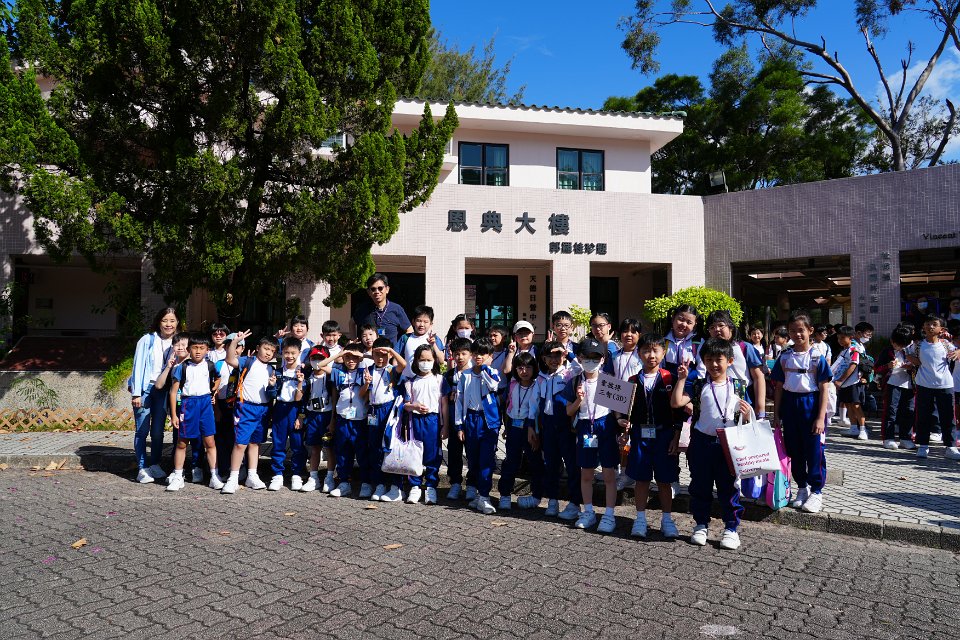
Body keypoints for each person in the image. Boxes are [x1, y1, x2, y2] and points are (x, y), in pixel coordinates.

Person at [671, 338, 751, 550]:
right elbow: (676, 402)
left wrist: (747, 415)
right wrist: (682, 379)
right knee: (700, 486)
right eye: (709, 359)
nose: (714, 364)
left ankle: (731, 528)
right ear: (703, 361)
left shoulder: (739, 386)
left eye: (719, 359)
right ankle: (700, 525)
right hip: (702, 443)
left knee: (729, 488)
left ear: (730, 361)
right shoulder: (699, 385)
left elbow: (747, 418)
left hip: (729, 445)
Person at [619, 333, 680, 538]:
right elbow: (624, 413)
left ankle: (667, 520)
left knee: (664, 480)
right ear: (639, 353)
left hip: (664, 436)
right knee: (641, 479)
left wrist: (676, 436)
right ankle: (640, 519)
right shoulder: (632, 381)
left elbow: (679, 412)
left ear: (664, 352)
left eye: (655, 350)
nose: (651, 355)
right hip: (640, 436)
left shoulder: (670, 378)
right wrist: (623, 428)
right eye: (646, 350)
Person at [770, 312, 832, 514]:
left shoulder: (817, 357)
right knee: (794, 450)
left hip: (811, 404)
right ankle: (802, 487)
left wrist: (820, 417)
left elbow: (824, 388)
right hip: (790, 405)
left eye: (801, 330)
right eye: (792, 331)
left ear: (810, 331)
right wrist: (776, 414)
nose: (797, 334)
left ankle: (817, 491)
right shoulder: (784, 357)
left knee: (814, 450)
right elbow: (779, 387)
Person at [565, 337, 618, 533]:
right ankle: (588, 512)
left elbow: (618, 411)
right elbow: (569, 411)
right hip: (585, 428)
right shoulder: (575, 381)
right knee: (586, 473)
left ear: (603, 359)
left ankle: (609, 514)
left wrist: (622, 425)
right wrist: (578, 400)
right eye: (586, 357)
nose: (591, 361)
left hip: (606, 427)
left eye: (595, 358)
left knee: (609, 473)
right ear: (579, 358)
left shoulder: (609, 381)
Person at [221, 331, 280, 494]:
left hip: (263, 409)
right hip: (245, 407)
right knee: (240, 443)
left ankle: (252, 475)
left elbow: (272, 394)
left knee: (255, 443)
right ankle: (233, 478)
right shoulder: (248, 361)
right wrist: (235, 342)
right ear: (258, 348)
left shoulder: (272, 369)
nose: (268, 353)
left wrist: (272, 386)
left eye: (272, 351)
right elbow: (230, 359)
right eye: (266, 348)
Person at [166, 333, 222, 491]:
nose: (198, 351)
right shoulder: (182, 367)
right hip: (187, 404)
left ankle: (214, 475)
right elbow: (173, 392)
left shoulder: (210, 365)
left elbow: (218, 378)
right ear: (188, 349)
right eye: (195, 348)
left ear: (207, 350)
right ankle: (178, 476)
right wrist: (174, 415)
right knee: (182, 442)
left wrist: (213, 390)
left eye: (201, 348)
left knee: (210, 442)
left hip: (205, 404)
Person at [130, 307, 179, 484]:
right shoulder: (147, 340)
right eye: (165, 320)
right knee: (142, 430)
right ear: (159, 322)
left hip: (164, 390)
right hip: (146, 389)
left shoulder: (178, 342)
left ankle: (155, 464)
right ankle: (142, 468)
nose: (168, 324)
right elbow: (137, 366)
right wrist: (136, 393)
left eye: (172, 321)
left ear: (177, 323)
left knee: (158, 431)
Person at [454, 337, 502, 515]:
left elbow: (493, 386)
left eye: (483, 354)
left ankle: (485, 496)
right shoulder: (465, 375)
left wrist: (484, 369)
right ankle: (477, 493)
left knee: (486, 460)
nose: (479, 357)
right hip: (471, 419)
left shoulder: (492, 372)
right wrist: (459, 426)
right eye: (476, 353)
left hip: (488, 421)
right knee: (473, 458)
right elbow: (459, 401)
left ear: (490, 356)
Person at [537, 340, 583, 519]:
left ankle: (574, 503)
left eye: (557, 356)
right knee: (551, 464)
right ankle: (552, 500)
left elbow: (580, 368)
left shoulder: (568, 374)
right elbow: (535, 404)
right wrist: (534, 427)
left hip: (566, 426)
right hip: (548, 426)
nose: (554, 359)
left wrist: (567, 354)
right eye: (550, 356)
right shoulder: (541, 377)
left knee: (572, 465)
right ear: (544, 359)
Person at [907, 316, 960, 459]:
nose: (930, 326)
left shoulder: (946, 344)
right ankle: (923, 446)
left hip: (945, 384)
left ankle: (951, 447)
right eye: (928, 324)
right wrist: (912, 359)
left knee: (948, 416)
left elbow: (957, 352)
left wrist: (958, 352)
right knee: (923, 416)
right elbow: (909, 355)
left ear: (941, 329)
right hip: (924, 384)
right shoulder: (918, 345)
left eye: (934, 324)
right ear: (923, 327)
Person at [496, 351, 543, 511]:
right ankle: (505, 495)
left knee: (535, 462)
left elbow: (537, 410)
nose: (524, 371)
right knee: (511, 461)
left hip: (530, 429)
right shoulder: (512, 385)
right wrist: (506, 427)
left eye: (528, 367)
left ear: (534, 368)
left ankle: (536, 495)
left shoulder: (538, 385)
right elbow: (507, 405)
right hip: (513, 427)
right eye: (520, 367)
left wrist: (536, 432)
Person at [327, 343, 372, 497]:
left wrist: (362, 355)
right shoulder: (338, 372)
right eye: (348, 357)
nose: (351, 360)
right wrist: (340, 354)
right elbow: (321, 365)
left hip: (360, 420)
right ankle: (344, 482)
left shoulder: (364, 371)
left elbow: (379, 359)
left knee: (362, 452)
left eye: (354, 357)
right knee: (342, 452)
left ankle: (366, 483)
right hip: (343, 419)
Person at [365, 337, 406, 502]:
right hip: (373, 411)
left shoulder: (392, 369)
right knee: (375, 448)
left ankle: (396, 486)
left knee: (390, 447)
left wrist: (391, 351)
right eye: (377, 354)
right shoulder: (368, 369)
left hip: (389, 411)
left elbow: (403, 365)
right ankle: (379, 484)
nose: (380, 358)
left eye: (384, 355)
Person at [403, 344, 444, 505]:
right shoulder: (410, 382)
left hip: (433, 420)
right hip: (415, 421)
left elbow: (444, 405)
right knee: (415, 454)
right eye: (422, 360)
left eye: (429, 360)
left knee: (433, 454)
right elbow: (405, 404)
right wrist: (414, 406)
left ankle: (431, 486)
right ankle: (415, 486)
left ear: (434, 361)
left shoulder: (439, 380)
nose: (425, 363)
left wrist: (445, 426)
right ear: (416, 361)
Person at [268, 337, 306, 491]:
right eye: (286, 353)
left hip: (296, 410)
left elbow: (304, 398)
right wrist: (271, 386)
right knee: (278, 443)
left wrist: (300, 416)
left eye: (293, 353)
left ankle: (297, 474)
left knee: (297, 444)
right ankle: (277, 474)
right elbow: (272, 395)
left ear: (299, 353)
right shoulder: (277, 371)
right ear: (282, 353)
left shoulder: (303, 371)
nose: (289, 356)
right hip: (280, 409)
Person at [297, 345, 335, 493]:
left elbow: (335, 400)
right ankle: (313, 478)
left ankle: (330, 477)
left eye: (321, 358)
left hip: (327, 415)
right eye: (314, 358)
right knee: (314, 448)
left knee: (329, 448)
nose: (317, 361)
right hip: (312, 415)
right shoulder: (307, 376)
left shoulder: (331, 376)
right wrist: (301, 416)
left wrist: (333, 420)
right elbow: (301, 399)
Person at [441, 337, 475, 500]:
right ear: (452, 355)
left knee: (472, 454)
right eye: (456, 354)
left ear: (471, 354)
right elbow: (445, 402)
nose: (460, 357)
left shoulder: (476, 374)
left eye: (464, 353)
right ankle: (455, 483)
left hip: (472, 421)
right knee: (454, 453)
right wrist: (446, 426)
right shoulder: (448, 376)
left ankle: (472, 485)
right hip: (454, 422)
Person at [875, 325, 917, 450]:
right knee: (890, 411)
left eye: (903, 345)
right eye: (897, 344)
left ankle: (906, 438)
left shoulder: (912, 350)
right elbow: (876, 368)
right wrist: (887, 366)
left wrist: (911, 367)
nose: (900, 347)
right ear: (892, 341)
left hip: (909, 385)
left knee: (909, 412)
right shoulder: (887, 351)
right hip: (892, 384)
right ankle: (888, 438)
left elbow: (920, 366)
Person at [350, 273, 412, 348]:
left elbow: (409, 330)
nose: (377, 292)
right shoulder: (363, 309)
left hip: (390, 353)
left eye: (380, 288)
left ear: (387, 289)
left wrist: (400, 348)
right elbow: (352, 323)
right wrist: (354, 343)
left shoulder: (396, 309)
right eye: (373, 289)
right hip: (369, 353)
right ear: (368, 292)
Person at [833, 326, 867, 440]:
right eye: (838, 338)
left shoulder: (854, 349)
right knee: (848, 404)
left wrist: (840, 380)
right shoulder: (843, 351)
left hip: (853, 382)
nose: (840, 340)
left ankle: (862, 430)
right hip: (844, 384)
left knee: (856, 405)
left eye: (843, 338)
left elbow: (853, 365)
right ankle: (853, 428)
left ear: (851, 337)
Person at [397, 305, 444, 380]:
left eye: (426, 322)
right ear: (413, 322)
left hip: (428, 380)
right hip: (407, 380)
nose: (422, 325)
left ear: (431, 324)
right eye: (419, 321)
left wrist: (433, 344)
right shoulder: (405, 338)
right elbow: (396, 359)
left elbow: (441, 360)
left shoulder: (434, 339)